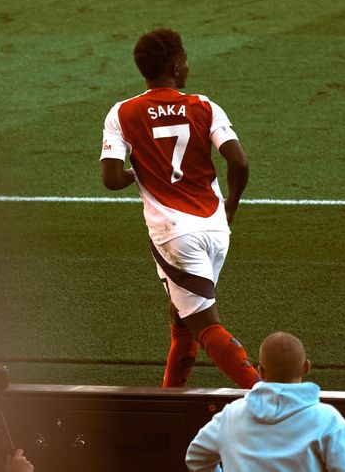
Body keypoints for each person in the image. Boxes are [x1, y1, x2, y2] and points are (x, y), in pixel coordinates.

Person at [100, 28, 260, 389]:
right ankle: (169, 397)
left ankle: (271, 401)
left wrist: (136, 172)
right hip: (215, 227)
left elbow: (110, 178)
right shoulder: (205, 106)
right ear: (175, 67)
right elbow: (239, 162)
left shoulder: (123, 113)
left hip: (176, 236)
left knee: (206, 325)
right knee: (182, 317)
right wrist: (229, 209)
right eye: (185, 59)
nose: (188, 64)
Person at [186, 332, 345, 472]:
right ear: (306, 367)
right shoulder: (328, 419)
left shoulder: (230, 415)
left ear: (261, 371)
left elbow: (196, 458)